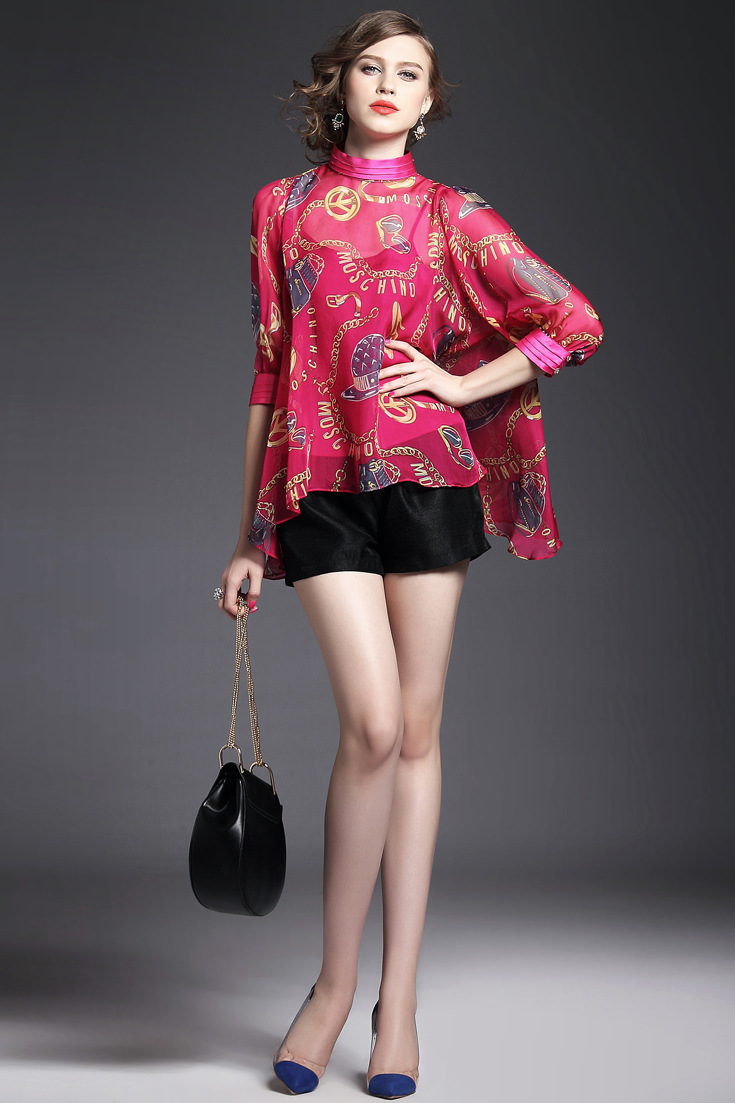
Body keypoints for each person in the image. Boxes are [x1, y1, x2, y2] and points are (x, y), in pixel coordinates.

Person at [217, 9, 603, 1097]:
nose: (388, 84)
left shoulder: (451, 213)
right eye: (370, 67)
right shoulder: (281, 206)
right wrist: (245, 534)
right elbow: (268, 369)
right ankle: (331, 987)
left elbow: (574, 322)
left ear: (429, 103)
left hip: (430, 482)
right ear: (337, 86)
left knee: (418, 731)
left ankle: (399, 1000)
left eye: (410, 73)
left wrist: (462, 382)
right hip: (317, 485)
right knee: (374, 725)